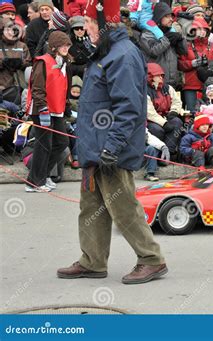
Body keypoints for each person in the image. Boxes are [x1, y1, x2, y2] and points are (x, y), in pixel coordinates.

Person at [57, 0, 167, 285]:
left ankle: (151, 259)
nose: (86, 29)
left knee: (123, 207)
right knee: (91, 206)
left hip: (110, 148)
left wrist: (113, 145)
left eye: (91, 24)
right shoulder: (107, 52)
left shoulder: (122, 55)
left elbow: (128, 107)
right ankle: (92, 261)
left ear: (105, 25)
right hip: (97, 144)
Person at [24, 31, 71, 193]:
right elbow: (37, 88)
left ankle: (42, 175)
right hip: (41, 109)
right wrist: (43, 109)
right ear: (53, 47)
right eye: (62, 45)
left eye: (67, 45)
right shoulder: (42, 62)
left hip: (56, 110)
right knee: (43, 145)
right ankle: (34, 182)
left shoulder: (62, 63)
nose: (66, 48)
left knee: (62, 143)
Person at [178, 17, 213, 111]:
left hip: (211, 87)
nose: (202, 32)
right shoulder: (185, 46)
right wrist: (191, 64)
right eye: (199, 29)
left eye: (204, 29)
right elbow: (179, 64)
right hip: (191, 86)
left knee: (210, 113)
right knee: (192, 113)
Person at [139, 2, 187, 91]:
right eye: (167, 16)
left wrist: (180, 39)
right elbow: (154, 51)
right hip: (154, 84)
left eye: (171, 16)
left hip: (173, 83)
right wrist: (167, 39)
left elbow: (184, 52)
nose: (171, 19)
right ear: (159, 17)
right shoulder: (147, 34)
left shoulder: (172, 33)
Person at [146, 62, 184, 159]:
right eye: (158, 75)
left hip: (166, 116)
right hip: (151, 121)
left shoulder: (167, 88)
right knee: (157, 130)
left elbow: (177, 101)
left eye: (162, 75)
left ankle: (169, 153)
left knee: (177, 123)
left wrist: (174, 112)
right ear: (150, 76)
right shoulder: (145, 91)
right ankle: (158, 153)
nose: (161, 77)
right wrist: (164, 123)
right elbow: (149, 113)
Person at [1, 17, 31, 105]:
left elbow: (29, 62)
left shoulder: (22, 46)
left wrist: (21, 64)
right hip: (3, 86)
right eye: (7, 29)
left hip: (19, 85)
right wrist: (3, 63)